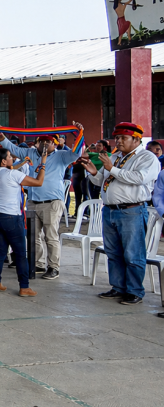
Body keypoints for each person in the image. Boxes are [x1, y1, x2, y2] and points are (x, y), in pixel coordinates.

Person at [80, 122, 160, 305]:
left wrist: (112, 169)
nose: (119, 141)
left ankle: (134, 291)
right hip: (109, 210)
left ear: (136, 140)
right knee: (113, 252)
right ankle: (118, 287)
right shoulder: (115, 156)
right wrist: (93, 171)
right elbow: (102, 179)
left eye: (123, 138)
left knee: (132, 254)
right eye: (117, 138)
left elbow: (138, 178)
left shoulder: (147, 158)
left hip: (132, 210)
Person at [0, 123, 83, 280]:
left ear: (55, 143)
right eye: (41, 141)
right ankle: (38, 264)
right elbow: (13, 149)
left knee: (50, 236)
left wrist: (78, 134)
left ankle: (53, 267)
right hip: (33, 201)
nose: (44, 143)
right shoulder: (31, 152)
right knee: (33, 236)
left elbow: (76, 152)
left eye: (48, 141)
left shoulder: (62, 155)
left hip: (52, 202)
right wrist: (1, 136)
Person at [0, 147, 46, 297]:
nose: (13, 159)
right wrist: (43, 163)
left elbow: (12, 169)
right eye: (10, 157)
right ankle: (24, 287)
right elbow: (39, 182)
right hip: (11, 217)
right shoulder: (12, 174)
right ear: (4, 161)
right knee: (20, 254)